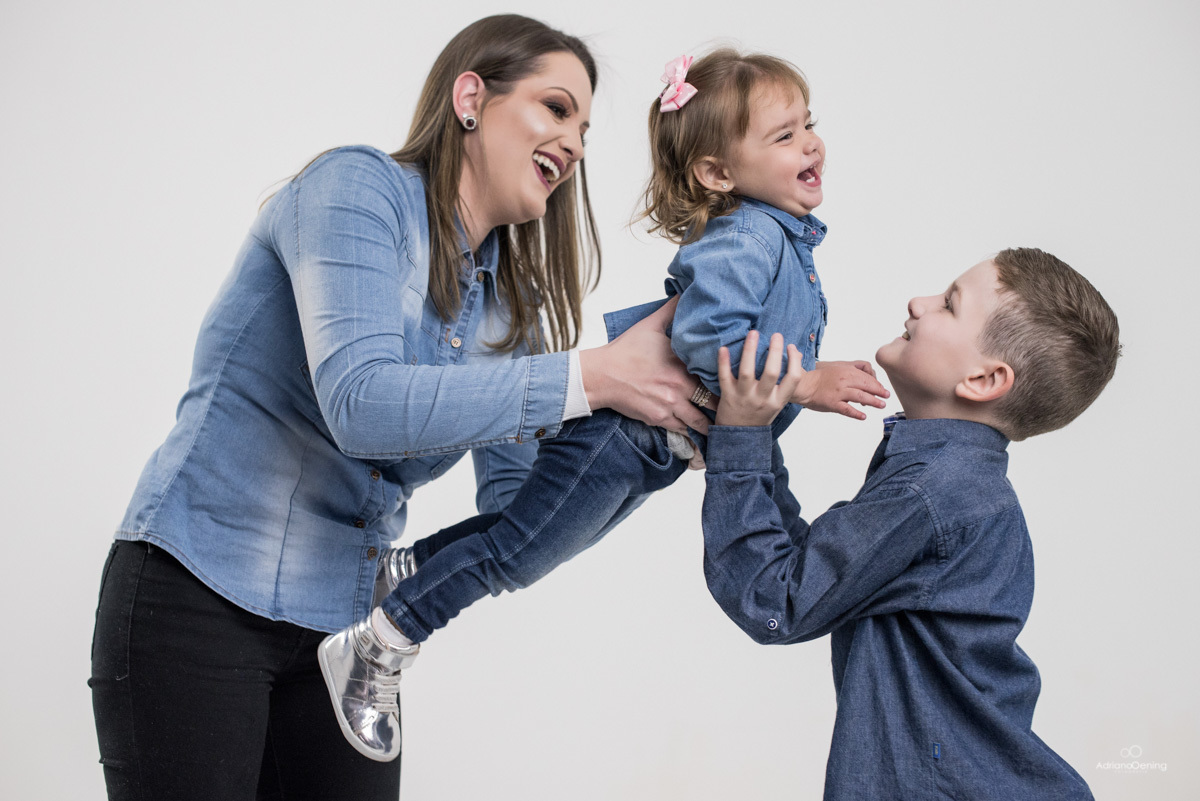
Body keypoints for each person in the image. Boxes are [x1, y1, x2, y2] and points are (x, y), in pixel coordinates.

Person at [88, 15, 715, 800]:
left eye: (586, 128)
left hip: (345, 639)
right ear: (470, 98)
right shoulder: (355, 190)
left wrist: (658, 444)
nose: (577, 143)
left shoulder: (506, 312)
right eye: (557, 108)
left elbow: (523, 520)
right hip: (196, 595)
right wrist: (598, 374)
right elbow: (362, 402)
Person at [322, 49, 890, 761]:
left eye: (809, 125)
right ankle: (378, 642)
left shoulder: (779, 237)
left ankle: (403, 571)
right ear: (717, 173)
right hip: (620, 437)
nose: (810, 143)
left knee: (522, 535)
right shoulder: (747, 235)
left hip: (652, 448)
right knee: (516, 554)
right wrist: (806, 381)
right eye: (784, 136)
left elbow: (739, 396)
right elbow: (706, 332)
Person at [702, 248, 1119, 799]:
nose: (917, 303)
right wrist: (754, 426)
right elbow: (811, 577)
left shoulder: (932, 494)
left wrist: (742, 435)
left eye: (948, 304)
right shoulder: (953, 482)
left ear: (985, 378)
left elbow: (774, 601)